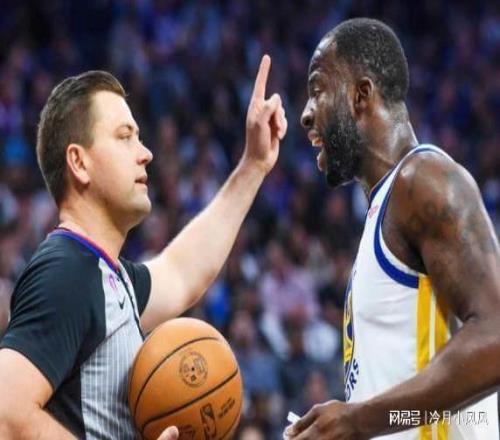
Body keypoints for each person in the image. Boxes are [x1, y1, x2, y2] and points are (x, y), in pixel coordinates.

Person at [0, 54, 287, 439]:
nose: (145, 152)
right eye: (125, 137)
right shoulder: (66, 271)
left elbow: (182, 273)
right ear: (79, 163)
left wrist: (253, 165)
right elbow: (6, 416)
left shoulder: (105, 273)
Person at [286, 18, 500, 440]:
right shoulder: (384, 209)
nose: (306, 114)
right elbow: (396, 411)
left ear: (361, 95)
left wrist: (358, 420)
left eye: (317, 89)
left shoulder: (424, 179)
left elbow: (496, 336)